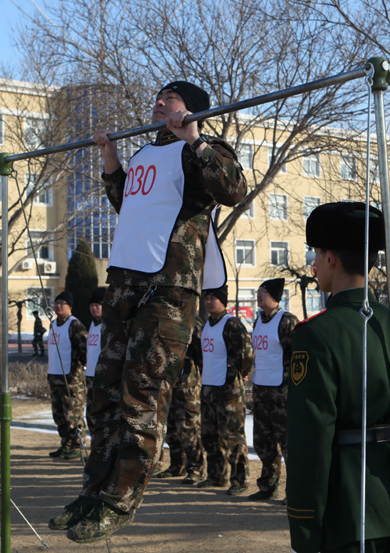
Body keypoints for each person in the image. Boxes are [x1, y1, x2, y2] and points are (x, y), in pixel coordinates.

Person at [50, 80, 246, 543]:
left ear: (191, 111)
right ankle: (95, 489)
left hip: (168, 290)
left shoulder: (199, 149)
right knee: (104, 393)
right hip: (125, 284)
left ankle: (121, 499)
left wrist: (194, 137)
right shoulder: (144, 154)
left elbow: (233, 188)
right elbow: (128, 206)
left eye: (170, 100)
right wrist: (111, 158)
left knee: (142, 393)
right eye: (158, 99)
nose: (159, 104)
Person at [286, 202, 390, 553]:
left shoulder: (316, 334)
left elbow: (311, 440)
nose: (314, 264)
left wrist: (305, 525)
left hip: (348, 512)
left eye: (317, 254)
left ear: (331, 258)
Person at [197, 285, 253, 495]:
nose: (209, 302)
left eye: (213, 298)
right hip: (208, 388)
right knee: (210, 435)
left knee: (233, 437)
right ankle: (216, 475)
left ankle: (240, 481)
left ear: (223, 301)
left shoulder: (232, 324)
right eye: (207, 298)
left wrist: (241, 372)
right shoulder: (207, 325)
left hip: (228, 390)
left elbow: (246, 354)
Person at [248, 277, 297, 500]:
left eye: (263, 292)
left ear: (275, 297)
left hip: (282, 394)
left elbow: (298, 355)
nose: (259, 296)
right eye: (258, 292)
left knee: (288, 446)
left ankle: (294, 493)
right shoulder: (258, 320)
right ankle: (267, 487)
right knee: (263, 443)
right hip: (261, 392)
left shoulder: (286, 321)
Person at [155, 315, 206, 484]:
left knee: (187, 426)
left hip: (187, 381)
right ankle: (177, 465)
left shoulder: (193, 321)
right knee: (170, 425)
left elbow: (201, 353)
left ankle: (197, 469)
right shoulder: (164, 318)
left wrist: (200, 376)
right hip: (167, 379)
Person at [46, 291, 89, 460]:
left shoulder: (75, 325)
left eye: (62, 303)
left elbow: (83, 349)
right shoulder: (53, 324)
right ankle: (66, 443)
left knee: (73, 413)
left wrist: (77, 371)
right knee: (59, 414)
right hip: (55, 376)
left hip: (70, 378)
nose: (58, 306)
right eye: (56, 303)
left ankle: (78, 444)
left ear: (69, 307)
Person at [83, 288, 105, 439]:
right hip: (91, 377)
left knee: (102, 416)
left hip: (103, 378)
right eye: (92, 305)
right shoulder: (92, 324)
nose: (94, 308)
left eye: (98, 305)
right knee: (90, 415)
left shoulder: (109, 326)